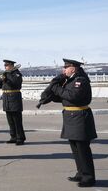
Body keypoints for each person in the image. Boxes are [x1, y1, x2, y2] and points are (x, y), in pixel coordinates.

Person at [49, 59, 97, 187]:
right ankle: (81, 173)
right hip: (71, 117)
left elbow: (73, 96)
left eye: (66, 67)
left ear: (73, 69)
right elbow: (65, 97)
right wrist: (52, 95)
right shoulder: (71, 80)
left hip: (80, 117)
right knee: (75, 148)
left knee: (82, 149)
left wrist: (56, 88)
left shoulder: (80, 80)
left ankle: (89, 177)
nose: (63, 70)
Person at [0, 59, 26, 145]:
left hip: (14, 98)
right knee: (10, 120)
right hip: (6, 99)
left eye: (7, 65)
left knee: (17, 120)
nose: (5, 67)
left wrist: (6, 77)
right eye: (5, 65)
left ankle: (20, 138)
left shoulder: (16, 74)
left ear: (12, 66)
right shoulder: (6, 74)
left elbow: (15, 84)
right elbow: (0, 86)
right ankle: (13, 136)